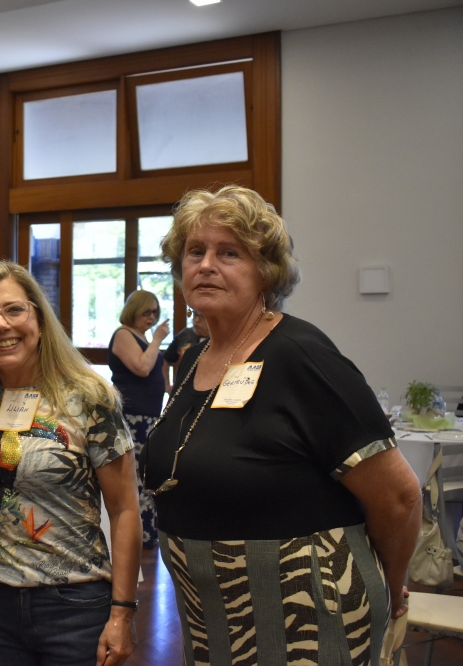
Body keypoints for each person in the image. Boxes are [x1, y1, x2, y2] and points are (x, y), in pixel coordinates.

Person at [141, 185, 420, 664]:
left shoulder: (300, 354)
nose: (206, 265)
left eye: (229, 253)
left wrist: (392, 583)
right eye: (195, 252)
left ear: (265, 271)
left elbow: (399, 496)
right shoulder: (194, 359)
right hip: (213, 619)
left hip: (306, 615)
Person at [0, 261, 141, 666]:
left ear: (38, 317)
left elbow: (125, 510)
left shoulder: (89, 396)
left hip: (74, 602)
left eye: (14, 309)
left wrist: (123, 612)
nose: (1, 325)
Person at [107, 290, 169, 549]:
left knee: (146, 474)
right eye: (147, 312)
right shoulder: (124, 334)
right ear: (134, 310)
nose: (152, 317)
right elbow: (142, 368)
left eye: (155, 312)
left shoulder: (142, 337)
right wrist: (157, 340)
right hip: (132, 416)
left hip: (147, 415)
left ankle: (147, 533)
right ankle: (136, 534)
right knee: (135, 475)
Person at [162, 312, 208, 393]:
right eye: (195, 315)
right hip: (182, 388)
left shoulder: (218, 338)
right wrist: (167, 385)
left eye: (202, 316)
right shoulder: (184, 335)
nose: (196, 320)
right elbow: (166, 359)